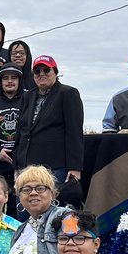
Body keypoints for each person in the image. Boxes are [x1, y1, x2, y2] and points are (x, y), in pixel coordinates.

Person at [13, 56, 84, 200]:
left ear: (55, 72)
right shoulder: (27, 96)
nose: (42, 74)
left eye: (46, 70)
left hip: (55, 166)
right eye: (37, 71)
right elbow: (21, 131)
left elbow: (74, 133)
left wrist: (75, 168)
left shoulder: (68, 93)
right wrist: (17, 164)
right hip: (27, 167)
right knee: (25, 211)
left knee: (52, 211)